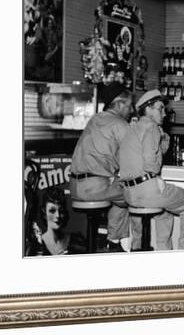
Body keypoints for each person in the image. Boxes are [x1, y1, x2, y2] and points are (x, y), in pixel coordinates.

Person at [118, 90, 184, 250]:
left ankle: (155, 251)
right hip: (147, 191)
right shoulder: (151, 127)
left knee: (165, 213)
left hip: (128, 193)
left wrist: (163, 143)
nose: (165, 113)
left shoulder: (131, 129)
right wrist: (154, 177)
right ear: (148, 109)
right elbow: (150, 165)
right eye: (160, 108)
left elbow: (142, 158)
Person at [69, 83, 134, 252]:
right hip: (94, 187)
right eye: (129, 105)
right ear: (119, 104)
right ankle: (115, 242)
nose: (132, 110)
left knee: (118, 189)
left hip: (74, 187)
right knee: (132, 191)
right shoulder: (120, 124)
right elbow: (134, 158)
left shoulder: (95, 119)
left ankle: (111, 241)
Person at [26, 186, 86, 256]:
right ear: (44, 212)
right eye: (52, 211)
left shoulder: (77, 242)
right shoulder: (36, 245)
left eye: (61, 211)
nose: (57, 215)